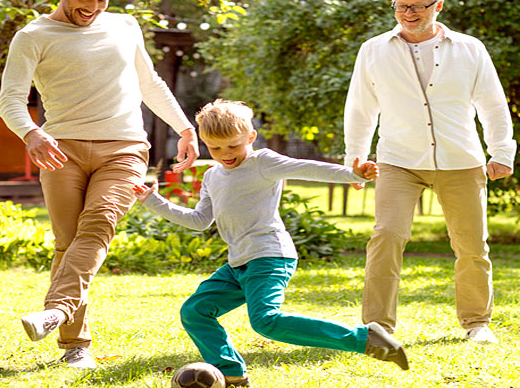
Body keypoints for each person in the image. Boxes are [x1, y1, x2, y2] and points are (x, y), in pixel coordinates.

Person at [133, 100, 409, 387]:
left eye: (233, 146)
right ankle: (231, 372)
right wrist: (153, 201)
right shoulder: (212, 176)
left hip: (269, 256)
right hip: (238, 263)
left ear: (250, 137)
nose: (225, 155)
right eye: (215, 148)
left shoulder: (262, 162)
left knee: (266, 320)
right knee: (195, 311)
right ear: (204, 142)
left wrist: (353, 174)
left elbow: (306, 168)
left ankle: (366, 339)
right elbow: (200, 220)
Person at [0, 0, 200, 369]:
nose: (92, 8)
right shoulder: (33, 36)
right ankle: (75, 347)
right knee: (69, 243)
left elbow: (149, 83)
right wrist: (31, 132)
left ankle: (55, 312)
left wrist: (184, 127)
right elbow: (10, 99)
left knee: (99, 224)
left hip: (125, 148)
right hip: (61, 149)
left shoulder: (125, 25)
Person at [341, 0, 517, 343]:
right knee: (386, 235)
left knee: (471, 245)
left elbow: (494, 105)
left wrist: (501, 152)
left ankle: (476, 323)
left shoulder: (470, 48)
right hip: (398, 160)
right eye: (401, 6)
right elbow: (360, 108)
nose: (408, 13)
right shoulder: (373, 50)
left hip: (460, 160)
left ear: (438, 6)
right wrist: (354, 159)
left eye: (417, 6)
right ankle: (377, 326)